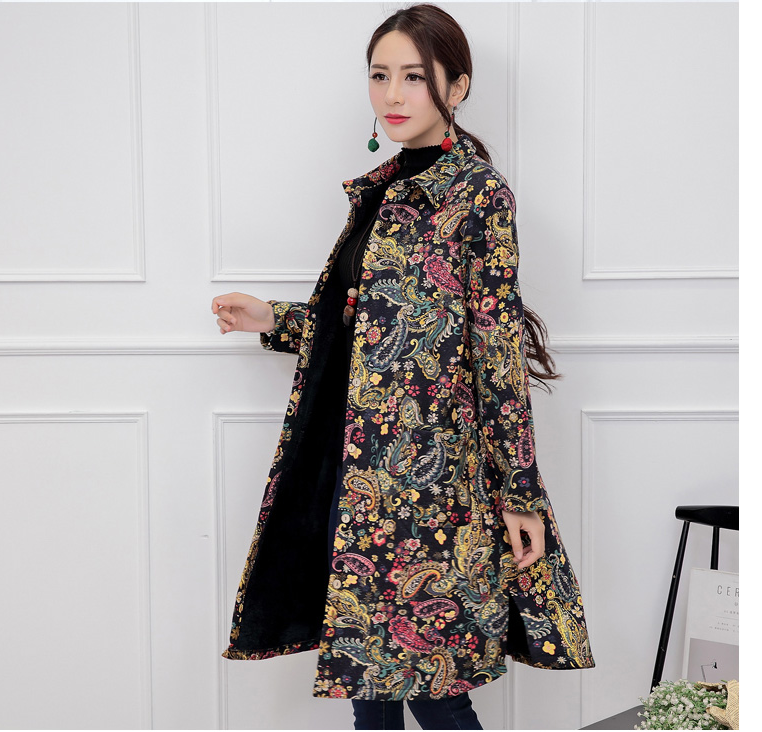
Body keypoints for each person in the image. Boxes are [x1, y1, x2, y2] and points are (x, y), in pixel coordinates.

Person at [213, 4, 595, 729]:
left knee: (438, 695)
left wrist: (519, 494)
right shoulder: (379, 190)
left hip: (431, 489)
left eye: (414, 77)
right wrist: (273, 318)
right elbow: (370, 328)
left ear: (457, 85)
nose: (392, 94)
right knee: (372, 697)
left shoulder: (477, 195)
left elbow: (497, 351)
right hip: (355, 477)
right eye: (379, 75)